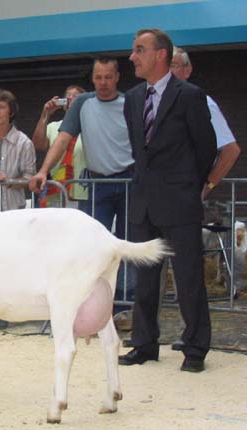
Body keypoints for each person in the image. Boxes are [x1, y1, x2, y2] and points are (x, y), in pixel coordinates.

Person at [118, 29, 217, 373]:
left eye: (139, 50)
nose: (132, 56)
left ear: (160, 54)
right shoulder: (133, 98)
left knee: (189, 278)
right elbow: (138, 149)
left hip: (180, 202)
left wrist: (188, 186)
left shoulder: (189, 95)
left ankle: (195, 349)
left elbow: (206, 147)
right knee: (145, 280)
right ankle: (144, 343)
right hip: (144, 203)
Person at [29, 58, 135, 313]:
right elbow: (62, 139)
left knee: (126, 243)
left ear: (117, 77)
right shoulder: (83, 103)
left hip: (129, 180)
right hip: (97, 181)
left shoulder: (131, 103)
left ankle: (125, 305)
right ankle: (91, 302)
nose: (103, 83)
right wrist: (43, 170)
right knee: (90, 245)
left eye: (108, 77)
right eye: (98, 77)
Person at [170, 47, 241, 199]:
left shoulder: (202, 103)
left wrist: (207, 186)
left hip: (185, 194)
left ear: (187, 71)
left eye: (173, 65)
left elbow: (230, 150)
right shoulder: (150, 104)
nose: (167, 71)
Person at [31, 85, 88, 210]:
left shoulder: (89, 126)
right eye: (68, 96)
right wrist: (45, 114)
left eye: (75, 96)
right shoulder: (54, 126)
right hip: (56, 190)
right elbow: (38, 144)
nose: (70, 98)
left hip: (82, 190)